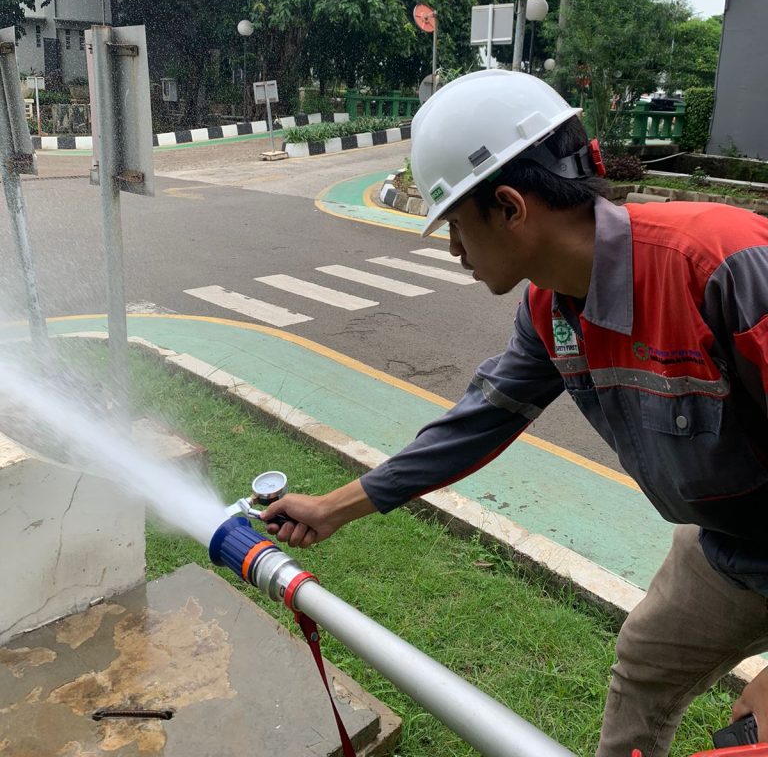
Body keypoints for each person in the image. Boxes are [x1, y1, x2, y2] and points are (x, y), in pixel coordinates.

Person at [262, 70, 768, 757]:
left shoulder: (719, 266)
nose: (454, 252)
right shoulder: (548, 308)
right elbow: (481, 420)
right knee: (644, 668)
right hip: (729, 544)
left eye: (457, 227)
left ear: (508, 206)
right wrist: (335, 506)